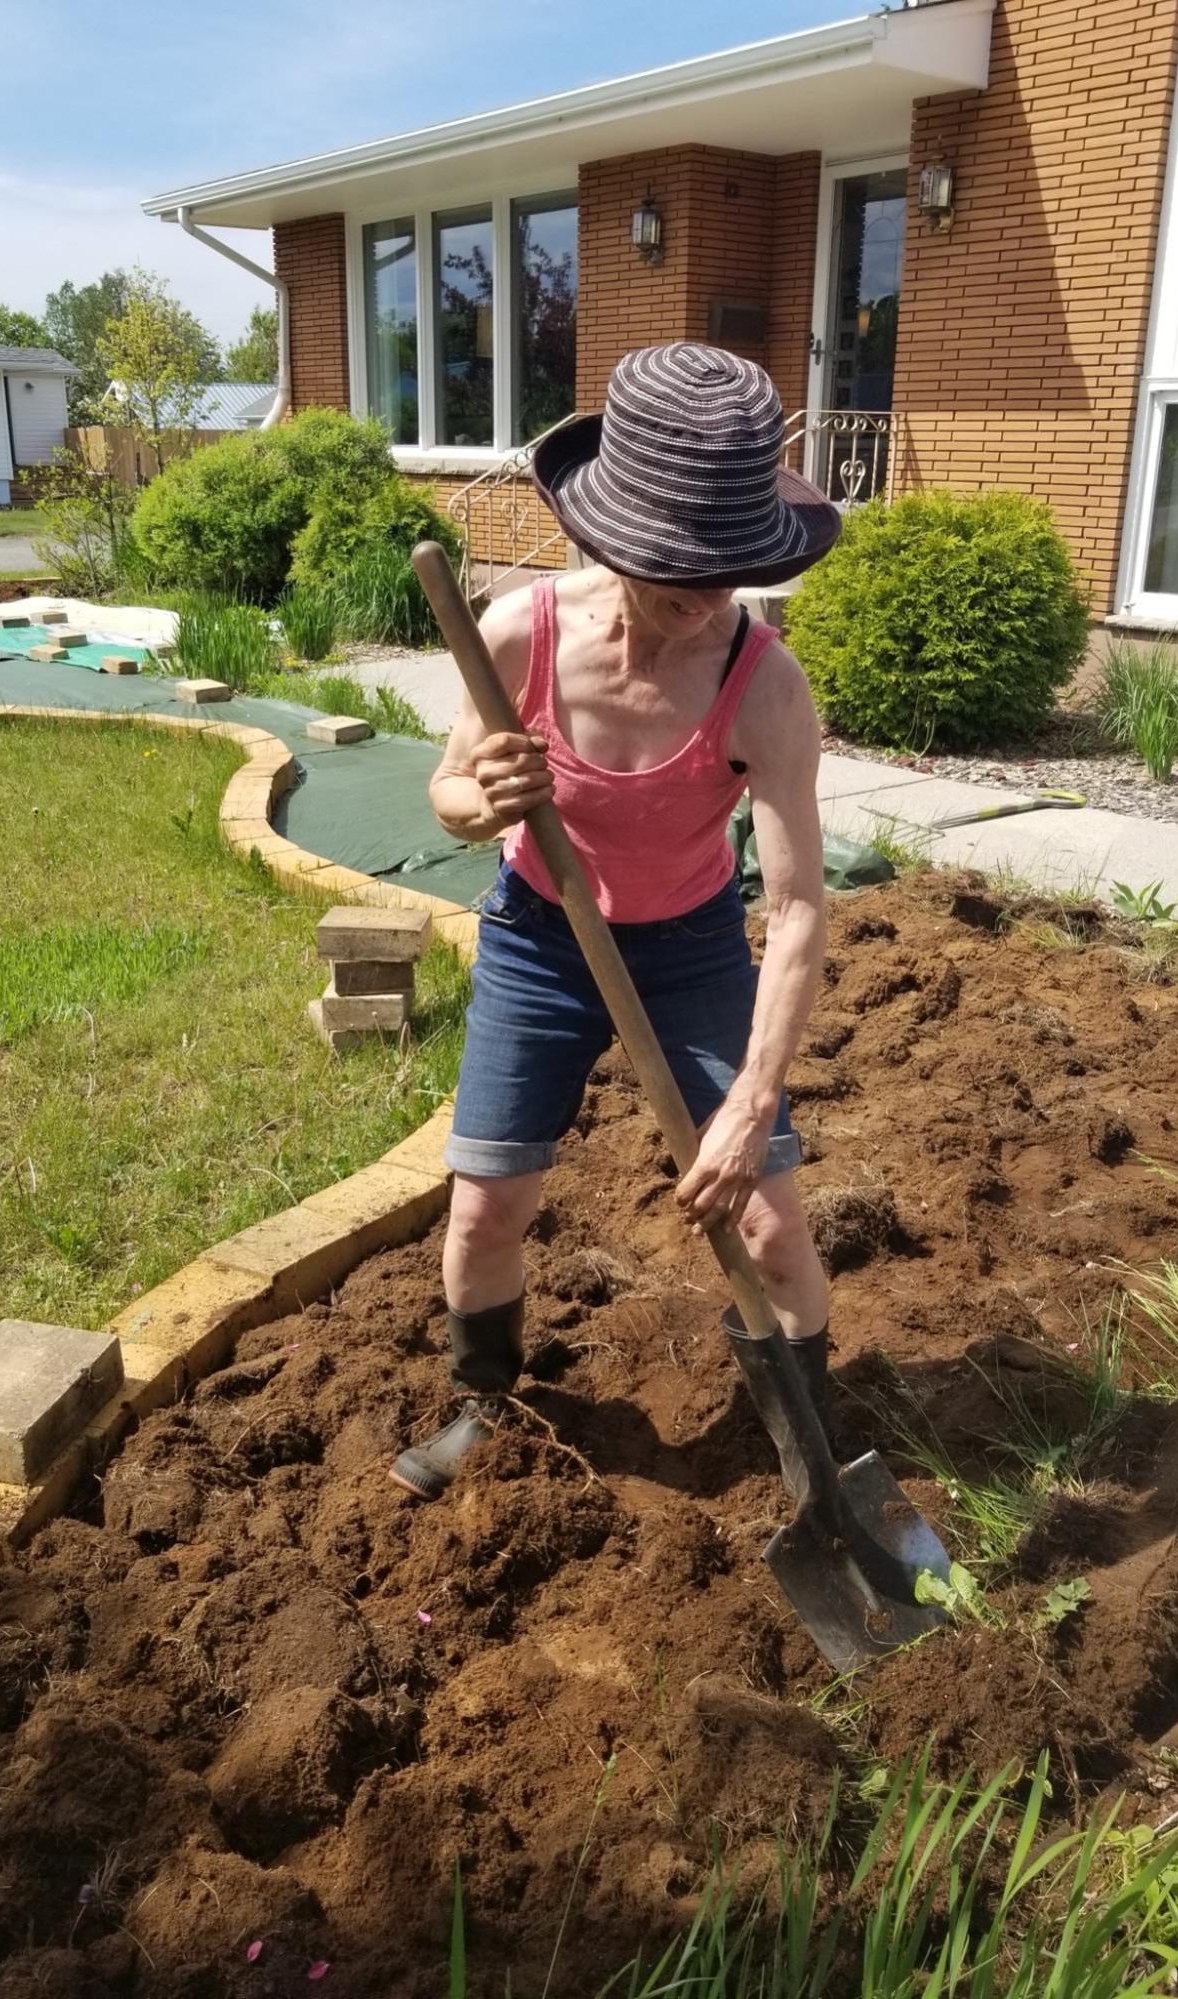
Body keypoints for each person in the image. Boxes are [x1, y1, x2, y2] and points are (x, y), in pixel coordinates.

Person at [391, 344, 841, 1502]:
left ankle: (807, 1449)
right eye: (674, 563)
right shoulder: (518, 634)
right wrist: (475, 797)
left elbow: (792, 909)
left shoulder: (766, 687)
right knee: (488, 1205)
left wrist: (749, 1108)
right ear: (610, 534)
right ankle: (483, 1400)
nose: (704, 591)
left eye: (727, 562)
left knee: (772, 1228)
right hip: (541, 939)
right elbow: (446, 792)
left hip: (691, 953)